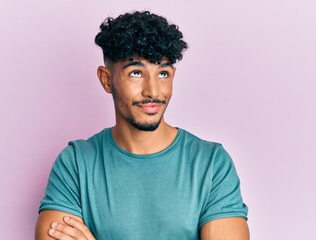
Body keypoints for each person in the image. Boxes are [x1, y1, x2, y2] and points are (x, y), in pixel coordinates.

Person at [35, 11, 249, 240]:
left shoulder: (211, 163)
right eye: (136, 73)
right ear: (107, 79)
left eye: (163, 73)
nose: (153, 91)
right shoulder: (76, 163)